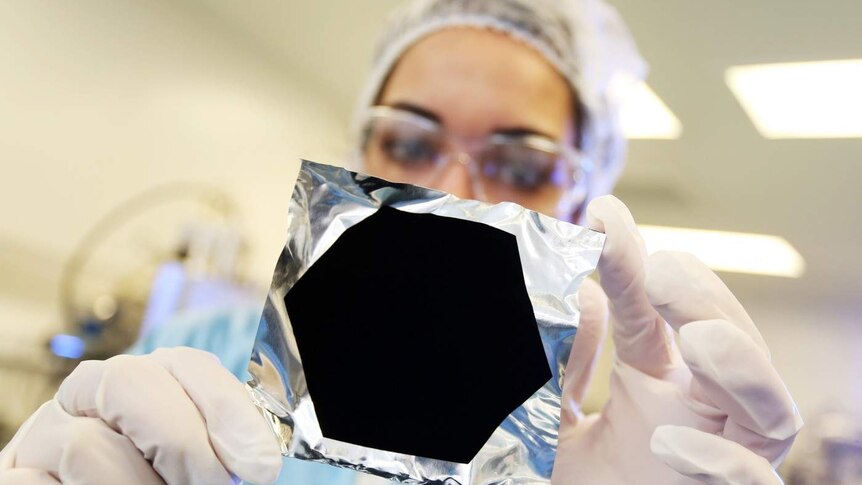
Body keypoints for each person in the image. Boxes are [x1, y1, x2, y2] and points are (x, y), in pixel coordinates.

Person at [0, 0, 803, 484]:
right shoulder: (198, 360)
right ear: (362, 155)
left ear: (586, 194)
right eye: (413, 146)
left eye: (520, 162)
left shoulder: (619, 445)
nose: (456, 190)